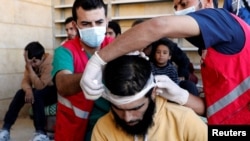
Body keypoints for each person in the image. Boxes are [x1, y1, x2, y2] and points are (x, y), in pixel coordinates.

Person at [81, 0, 250, 125]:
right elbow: (219, 110)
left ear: (206, 2)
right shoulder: (212, 50)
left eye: (184, 4)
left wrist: (98, 60)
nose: (178, 12)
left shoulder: (224, 21)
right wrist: (182, 96)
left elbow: (158, 26)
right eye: (175, 7)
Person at [91, 55, 207, 141]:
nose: (127, 118)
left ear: (153, 93)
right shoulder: (103, 127)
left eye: (136, 108)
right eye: (118, 108)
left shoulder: (184, 120)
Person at [51, 0, 113, 140]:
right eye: (86, 24)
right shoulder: (65, 51)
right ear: (75, 25)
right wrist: (89, 74)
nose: (94, 27)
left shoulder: (114, 46)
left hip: (111, 128)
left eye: (99, 22)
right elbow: (62, 84)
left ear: (107, 22)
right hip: (74, 130)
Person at [0, 41, 57, 141]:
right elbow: (25, 81)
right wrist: (28, 90)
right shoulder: (30, 64)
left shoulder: (50, 62)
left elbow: (40, 86)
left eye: (34, 62)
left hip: (54, 91)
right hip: (40, 91)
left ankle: (41, 133)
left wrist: (30, 69)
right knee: (20, 94)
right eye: (29, 62)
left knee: (37, 94)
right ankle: (5, 129)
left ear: (43, 57)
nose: (32, 65)